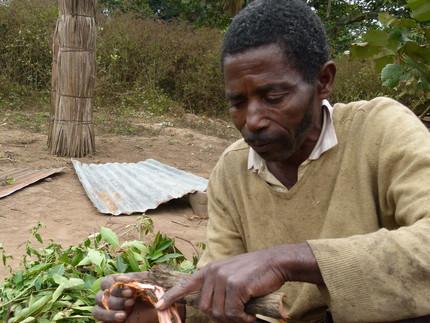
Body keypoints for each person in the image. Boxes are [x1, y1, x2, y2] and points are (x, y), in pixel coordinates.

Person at [92, 0, 430, 322]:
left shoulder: (380, 130)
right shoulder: (233, 170)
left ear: (323, 81)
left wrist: (286, 260)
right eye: (237, 102)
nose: (252, 120)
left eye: (274, 97)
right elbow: (221, 297)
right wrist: (160, 308)